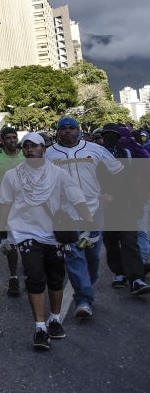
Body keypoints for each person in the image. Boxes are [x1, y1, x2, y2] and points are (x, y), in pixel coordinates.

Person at [0, 133, 94, 350]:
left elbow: (77, 199)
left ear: (44, 149)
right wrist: (2, 235)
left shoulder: (59, 174)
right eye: (26, 146)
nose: (29, 150)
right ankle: (40, 328)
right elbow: (4, 204)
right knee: (35, 277)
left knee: (56, 278)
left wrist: (90, 226)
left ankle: (55, 320)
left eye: (34, 146)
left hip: (53, 235)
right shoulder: (12, 176)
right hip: (25, 234)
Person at [44, 116, 123, 319]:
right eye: (63, 129)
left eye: (72, 128)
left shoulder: (95, 149)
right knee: (74, 255)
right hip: (65, 214)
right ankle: (84, 300)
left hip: (94, 210)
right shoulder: (49, 154)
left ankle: (86, 283)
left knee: (92, 256)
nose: (67, 132)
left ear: (78, 130)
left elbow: (117, 172)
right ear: (58, 132)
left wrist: (110, 194)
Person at [99, 124, 150, 295]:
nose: (110, 138)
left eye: (114, 135)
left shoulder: (126, 153)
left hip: (125, 204)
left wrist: (136, 203)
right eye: (107, 135)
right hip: (104, 205)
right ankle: (119, 273)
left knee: (129, 241)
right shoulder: (97, 154)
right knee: (111, 242)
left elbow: (130, 180)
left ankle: (136, 278)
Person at [0, 127, 26, 297]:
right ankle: (14, 277)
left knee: (28, 242)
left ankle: (32, 275)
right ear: (1, 140)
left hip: (27, 206)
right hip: (7, 206)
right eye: (8, 138)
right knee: (10, 246)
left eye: (14, 137)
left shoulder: (26, 155)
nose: (12, 140)